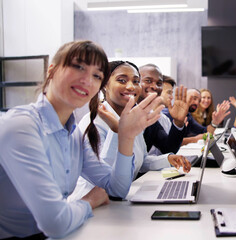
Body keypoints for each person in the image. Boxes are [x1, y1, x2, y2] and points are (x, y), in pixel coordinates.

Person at [0, 40, 162, 239]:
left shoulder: (73, 134)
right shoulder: (22, 126)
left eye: (96, 76)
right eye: (78, 67)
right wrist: (89, 201)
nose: (87, 80)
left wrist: (125, 135)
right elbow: (55, 223)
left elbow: (117, 189)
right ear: (52, 71)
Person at [71, 61, 191, 200]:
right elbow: (107, 179)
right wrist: (118, 132)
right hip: (95, 205)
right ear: (105, 85)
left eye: (136, 81)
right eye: (122, 80)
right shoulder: (92, 123)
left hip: (119, 200)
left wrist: (168, 159)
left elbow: (141, 161)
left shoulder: (131, 118)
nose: (131, 86)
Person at [140, 64, 186, 153]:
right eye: (148, 81)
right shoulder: (124, 112)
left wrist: (178, 122)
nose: (155, 87)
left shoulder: (153, 118)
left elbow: (168, 148)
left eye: (159, 83)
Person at [164, 88, 231, 145]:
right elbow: (168, 142)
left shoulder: (188, 116)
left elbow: (204, 131)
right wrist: (194, 139)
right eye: (194, 98)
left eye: (199, 101)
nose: (197, 103)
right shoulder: (167, 114)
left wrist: (215, 122)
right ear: (184, 96)